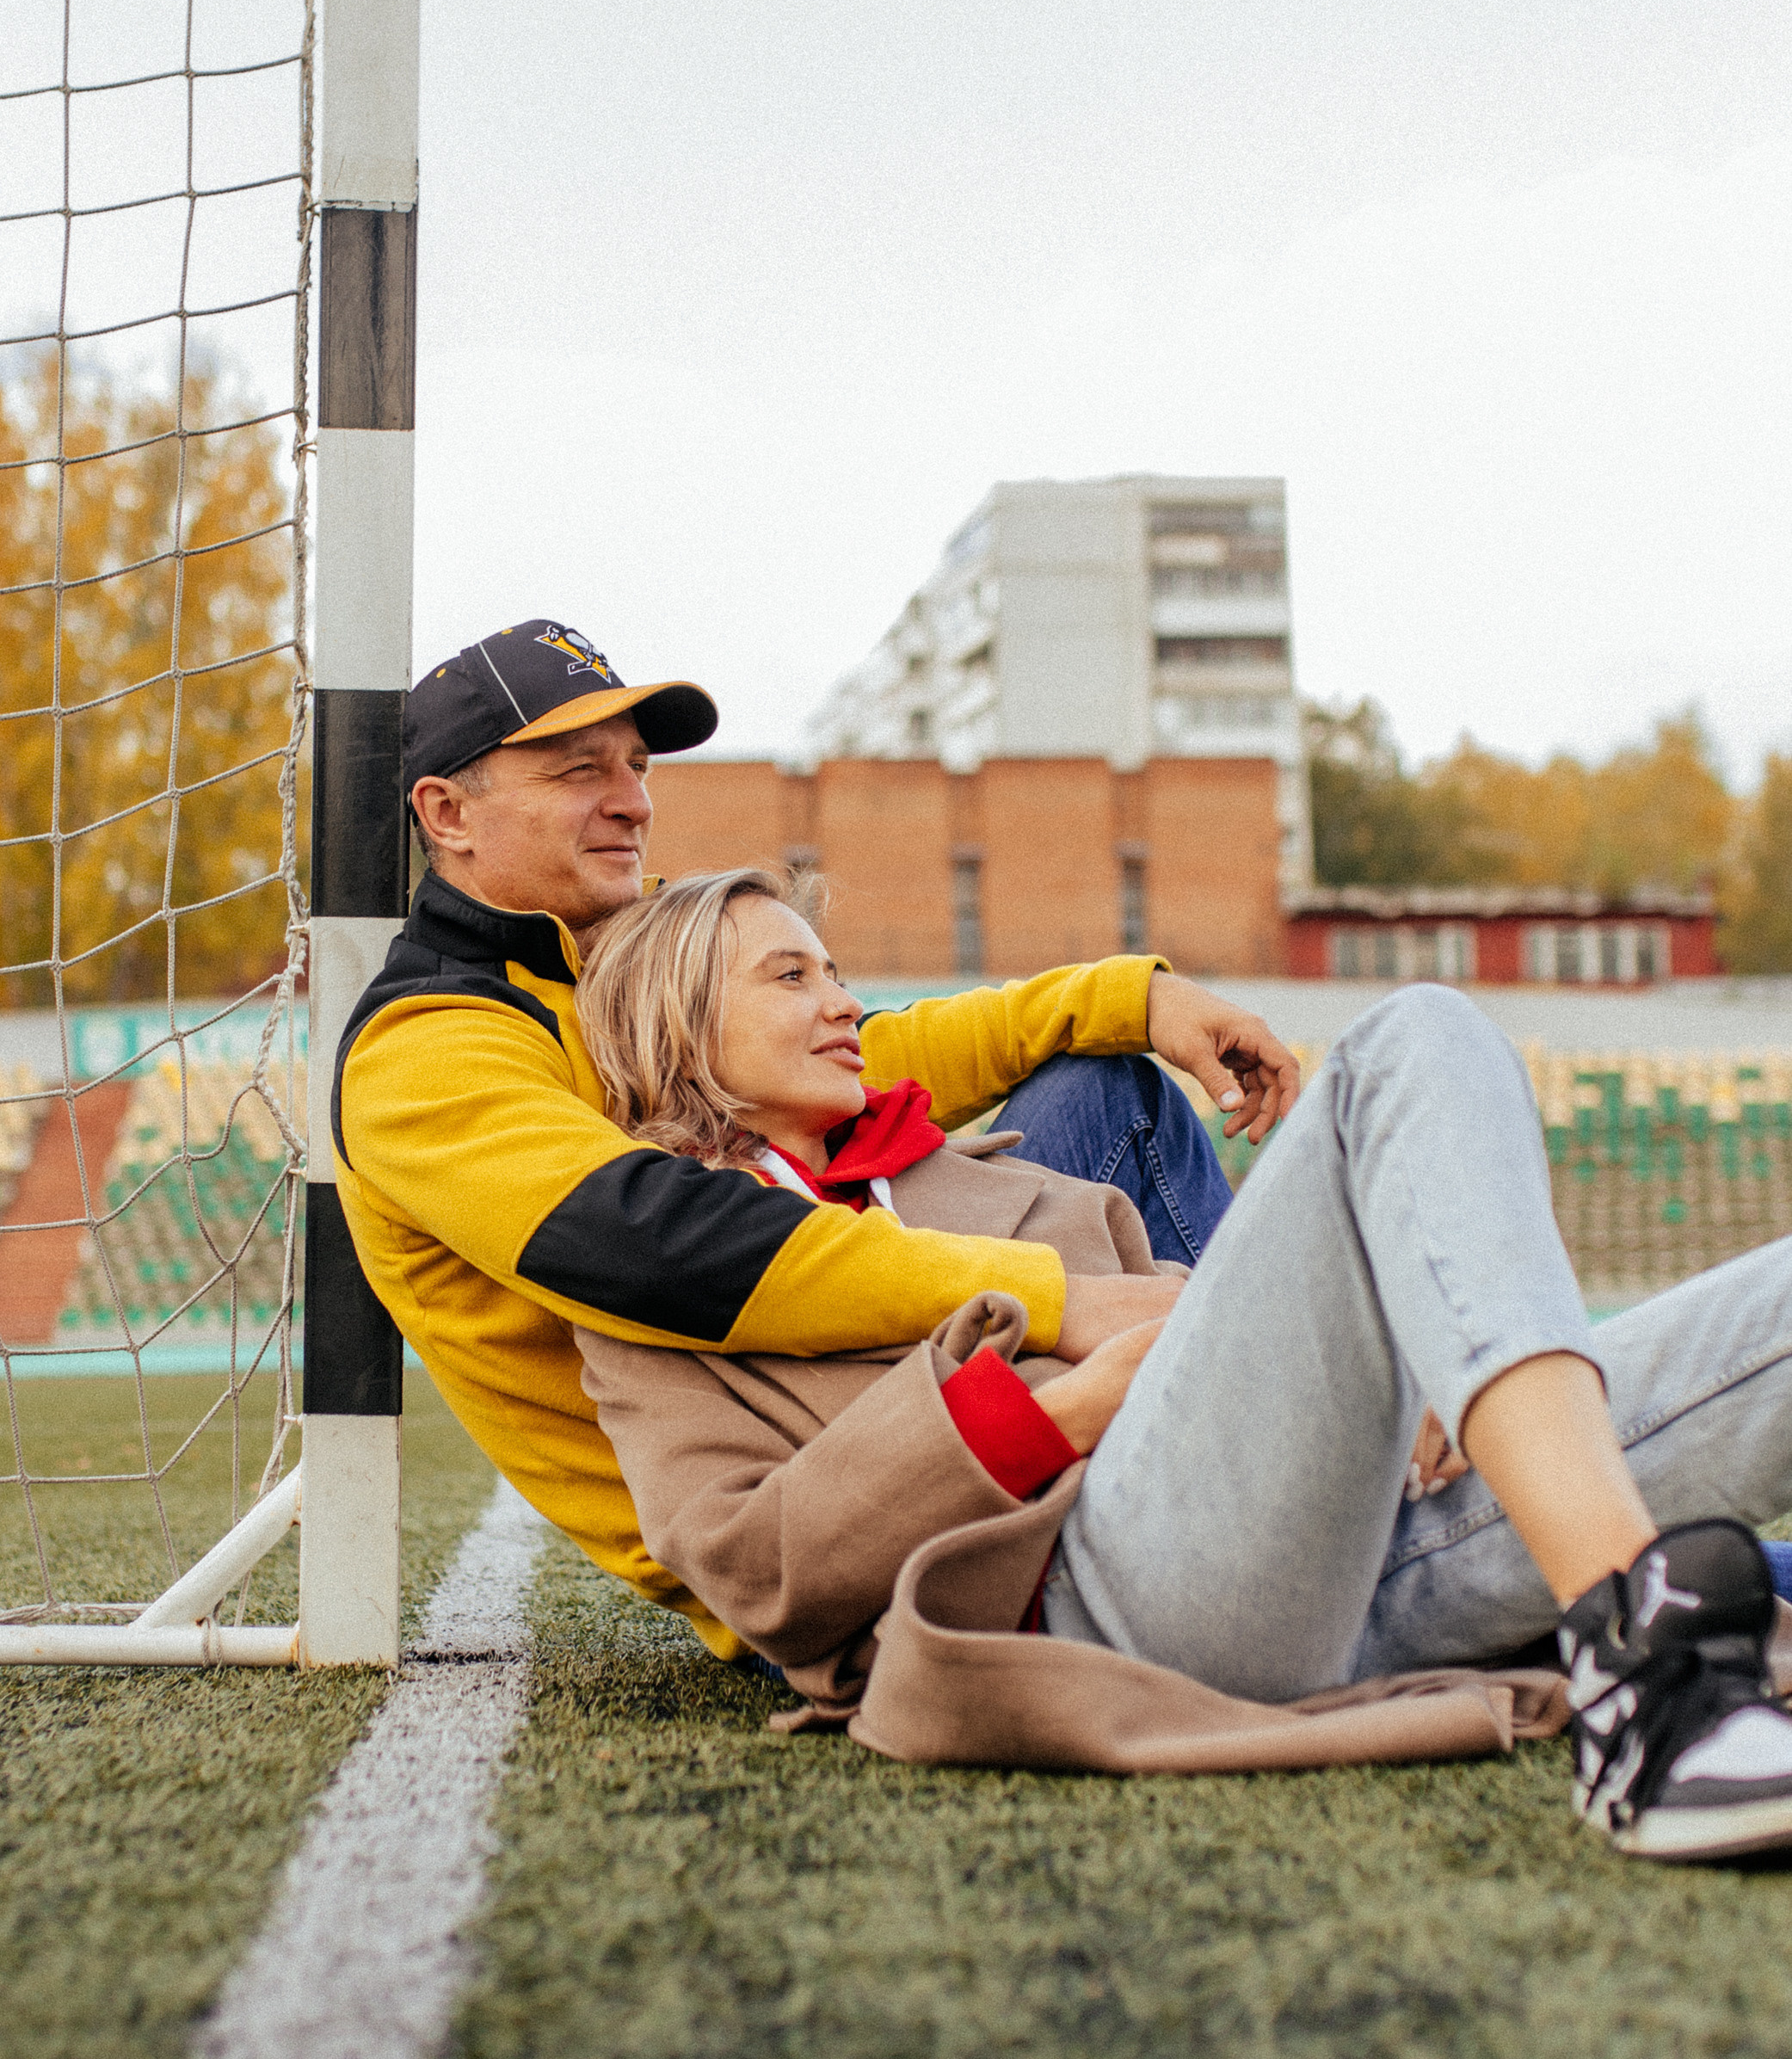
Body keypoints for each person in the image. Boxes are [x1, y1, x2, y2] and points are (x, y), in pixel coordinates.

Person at [570, 866, 1792, 1865]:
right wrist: (1070, 1403)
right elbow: (756, 1571)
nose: (842, 1002)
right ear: (675, 1024)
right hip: (1098, 1609)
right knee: (1413, 1036)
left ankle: (1619, 1608)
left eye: (836, 972)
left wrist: (1417, 1377)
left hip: (1343, 1570)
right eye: (790, 976)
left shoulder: (993, 1179)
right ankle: (1650, 1671)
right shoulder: (654, 1277)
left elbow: (1199, 1339)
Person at [330, 616, 1299, 1654]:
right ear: (447, 812)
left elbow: (846, 1057)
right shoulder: (425, 1047)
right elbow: (662, 1242)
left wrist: (1125, 998)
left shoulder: (610, 951)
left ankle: (1277, 1419)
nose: (633, 801)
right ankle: (1282, 1433)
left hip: (853, 1370)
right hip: (801, 1491)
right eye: (579, 771)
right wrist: (1066, 1300)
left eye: (636, 767)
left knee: (1103, 1086)